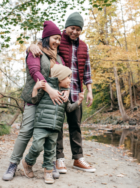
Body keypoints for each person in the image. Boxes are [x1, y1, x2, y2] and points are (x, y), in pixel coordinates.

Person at [28, 12, 95, 173]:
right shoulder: (58, 40)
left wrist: (89, 90)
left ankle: (78, 158)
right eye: (72, 28)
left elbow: (87, 70)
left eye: (78, 29)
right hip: (56, 91)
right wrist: (31, 45)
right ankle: (59, 159)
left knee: (75, 126)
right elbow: (42, 46)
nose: (75, 32)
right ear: (66, 27)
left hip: (75, 91)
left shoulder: (84, 46)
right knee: (56, 126)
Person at [2, 21, 69, 181]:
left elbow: (65, 77)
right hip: (36, 99)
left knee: (52, 133)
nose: (57, 42)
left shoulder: (59, 58)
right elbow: (34, 71)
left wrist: (66, 91)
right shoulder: (36, 51)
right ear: (46, 38)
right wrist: (49, 89)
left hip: (52, 103)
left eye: (59, 39)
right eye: (55, 38)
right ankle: (13, 163)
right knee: (26, 132)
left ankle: (49, 164)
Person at [21, 64, 84, 184]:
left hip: (55, 128)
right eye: (68, 77)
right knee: (37, 147)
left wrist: (79, 102)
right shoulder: (46, 89)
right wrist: (35, 89)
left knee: (51, 151)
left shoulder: (65, 94)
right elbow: (34, 100)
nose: (70, 80)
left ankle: (48, 171)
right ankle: (28, 162)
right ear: (60, 78)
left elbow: (69, 109)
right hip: (41, 125)